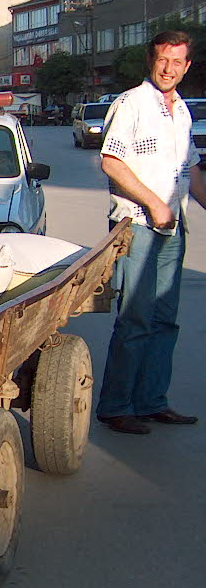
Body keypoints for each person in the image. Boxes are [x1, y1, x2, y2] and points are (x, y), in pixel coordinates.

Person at [95, 29, 206, 435]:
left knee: (164, 320)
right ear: (151, 60)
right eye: (163, 60)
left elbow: (191, 169)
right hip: (138, 225)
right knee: (136, 319)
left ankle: (152, 401)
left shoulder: (182, 111)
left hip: (172, 227)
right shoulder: (131, 104)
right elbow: (111, 162)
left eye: (177, 62)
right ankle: (116, 407)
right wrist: (155, 204)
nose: (169, 69)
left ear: (187, 66)